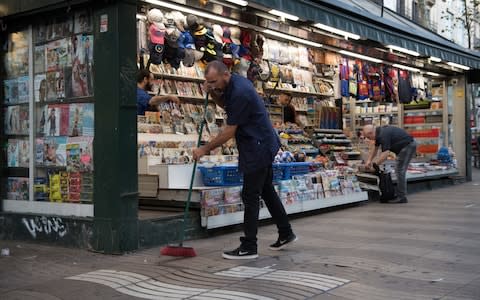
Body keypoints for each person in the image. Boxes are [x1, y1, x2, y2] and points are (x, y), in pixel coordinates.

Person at [192, 61, 297, 260]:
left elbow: (230, 131)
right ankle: (285, 232)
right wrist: (212, 92)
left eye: (213, 82)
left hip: (258, 146)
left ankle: (249, 246)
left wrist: (204, 149)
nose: (212, 85)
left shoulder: (239, 91)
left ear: (225, 74)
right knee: (265, 190)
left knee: (250, 195)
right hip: (260, 143)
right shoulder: (232, 84)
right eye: (208, 82)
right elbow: (226, 105)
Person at [363, 124, 417, 203]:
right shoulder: (379, 132)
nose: (369, 139)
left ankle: (401, 197)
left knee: (399, 170)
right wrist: (369, 160)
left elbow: (385, 154)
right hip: (407, 145)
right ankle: (401, 195)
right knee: (399, 170)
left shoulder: (383, 135)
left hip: (407, 146)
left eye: (368, 137)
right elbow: (376, 148)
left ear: (371, 133)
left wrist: (375, 165)